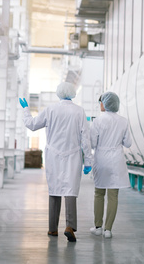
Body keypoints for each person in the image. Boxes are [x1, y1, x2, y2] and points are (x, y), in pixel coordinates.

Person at [19, 82, 92, 242]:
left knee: (54, 190)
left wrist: (26, 110)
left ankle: (53, 229)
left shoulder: (50, 110)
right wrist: (88, 160)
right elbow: (85, 138)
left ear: (58, 93)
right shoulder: (79, 111)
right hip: (73, 155)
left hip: (53, 155)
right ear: (72, 93)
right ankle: (70, 226)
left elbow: (31, 125)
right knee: (70, 191)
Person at [89, 92, 132, 239]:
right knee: (113, 196)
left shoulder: (98, 121)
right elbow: (128, 143)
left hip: (101, 159)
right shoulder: (124, 121)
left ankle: (98, 227)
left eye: (101, 102)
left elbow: (92, 143)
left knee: (99, 193)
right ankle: (108, 230)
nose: (100, 104)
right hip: (117, 160)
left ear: (105, 104)